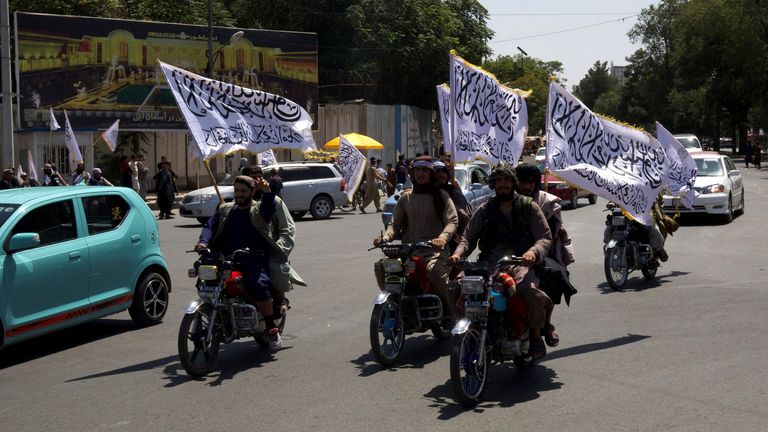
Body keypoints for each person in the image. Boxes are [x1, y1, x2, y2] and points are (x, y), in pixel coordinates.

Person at [449, 164, 553, 360]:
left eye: (506, 180)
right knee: (455, 287)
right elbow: (467, 238)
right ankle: (471, 329)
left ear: (513, 182)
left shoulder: (528, 206)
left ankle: (535, 336)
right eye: (498, 181)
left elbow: (545, 237)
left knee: (529, 292)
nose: (502, 184)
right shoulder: (484, 209)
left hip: (519, 262)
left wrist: (533, 252)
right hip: (488, 263)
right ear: (493, 184)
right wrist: (457, 254)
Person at [194, 176, 285, 351]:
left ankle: (271, 327)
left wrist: (267, 192)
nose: (239, 194)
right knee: (208, 281)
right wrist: (203, 242)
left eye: (244, 191)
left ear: (252, 192)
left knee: (258, 285)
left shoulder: (258, 210)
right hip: (227, 259)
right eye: (237, 191)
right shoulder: (225, 209)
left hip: (253, 258)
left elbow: (268, 209)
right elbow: (209, 226)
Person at [374, 156, 459, 324]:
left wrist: (442, 238)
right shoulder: (406, 197)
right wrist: (386, 237)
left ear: (431, 173)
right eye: (417, 170)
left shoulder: (441, 196)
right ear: (412, 173)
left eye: (424, 170)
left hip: (434, 249)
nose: (420, 174)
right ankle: (393, 301)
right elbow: (394, 224)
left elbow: (452, 221)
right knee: (381, 267)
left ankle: (449, 310)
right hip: (409, 249)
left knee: (435, 272)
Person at [433, 160, 472, 253]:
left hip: (451, 239)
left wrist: (458, 235)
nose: (441, 175)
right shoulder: (424, 192)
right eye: (437, 172)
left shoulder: (454, 192)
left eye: (444, 172)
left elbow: (464, 216)